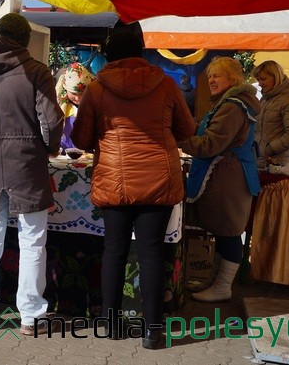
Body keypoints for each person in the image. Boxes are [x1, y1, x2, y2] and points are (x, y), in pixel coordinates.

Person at [71, 30, 196, 349]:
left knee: (113, 251)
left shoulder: (98, 88)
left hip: (114, 180)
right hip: (159, 178)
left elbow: (81, 139)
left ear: (110, 54)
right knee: (151, 253)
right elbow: (186, 130)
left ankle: (111, 325)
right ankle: (153, 332)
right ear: (141, 50)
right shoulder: (166, 84)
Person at [0, 13, 64, 335]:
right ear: (25, 40)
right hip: (27, 165)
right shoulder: (36, 71)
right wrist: (49, 148)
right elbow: (51, 121)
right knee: (32, 241)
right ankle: (31, 316)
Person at [180, 56, 261, 304]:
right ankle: (217, 282)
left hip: (228, 176)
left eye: (218, 75)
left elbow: (211, 144)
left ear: (233, 78)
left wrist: (176, 139)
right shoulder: (231, 104)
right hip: (229, 173)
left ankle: (222, 287)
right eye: (210, 76)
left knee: (228, 231)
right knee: (226, 230)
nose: (212, 80)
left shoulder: (232, 106)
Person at [252, 60, 289, 168]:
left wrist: (267, 150)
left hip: (279, 164)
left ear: (275, 77)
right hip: (261, 161)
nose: (260, 83)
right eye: (258, 80)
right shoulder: (264, 99)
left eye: (263, 79)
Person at [56, 62, 95, 153]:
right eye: (73, 94)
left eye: (82, 93)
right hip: (62, 156)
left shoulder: (94, 105)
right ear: (65, 89)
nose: (77, 98)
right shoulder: (59, 105)